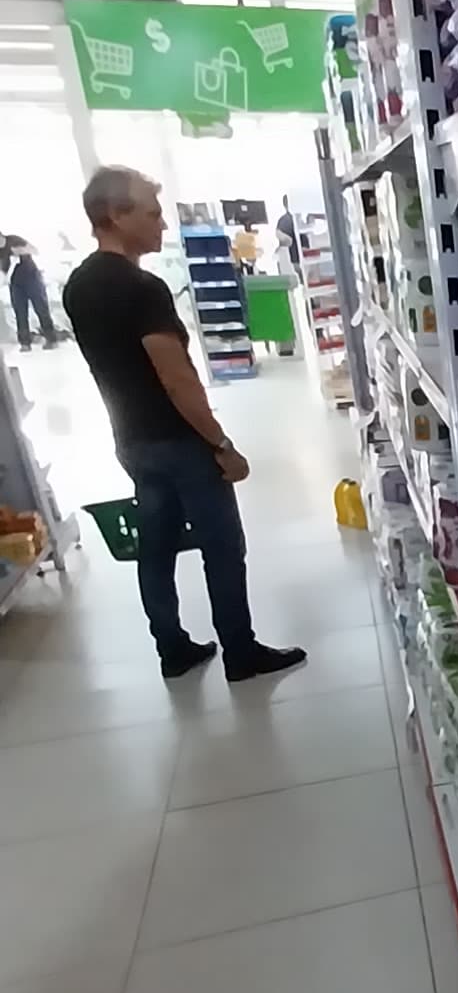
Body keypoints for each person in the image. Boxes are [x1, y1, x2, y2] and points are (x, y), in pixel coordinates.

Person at [63, 167, 305, 684]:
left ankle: (171, 649)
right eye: (152, 214)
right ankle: (241, 651)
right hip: (179, 442)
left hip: (131, 439)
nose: (163, 225)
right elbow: (176, 380)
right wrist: (222, 444)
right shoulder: (142, 288)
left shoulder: (78, 286)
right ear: (116, 215)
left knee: (156, 547)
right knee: (222, 547)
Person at [2, 234, 63, 351]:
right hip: (15, 284)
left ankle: (51, 339)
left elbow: (35, 250)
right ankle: (25, 343)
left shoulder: (14, 240)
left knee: (41, 308)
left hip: (32, 278)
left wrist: (22, 251)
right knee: (20, 312)